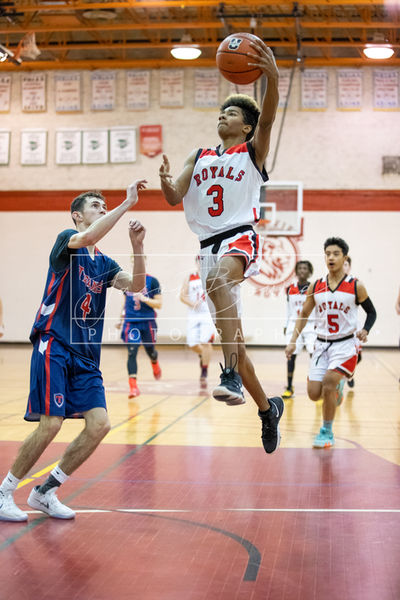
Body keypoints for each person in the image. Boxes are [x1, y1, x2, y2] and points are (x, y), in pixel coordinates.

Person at [159, 39, 284, 454]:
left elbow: (269, 119)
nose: (222, 116)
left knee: (215, 280)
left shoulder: (252, 151)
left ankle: (228, 375)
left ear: (246, 127)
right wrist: (165, 182)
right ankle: (268, 409)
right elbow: (175, 196)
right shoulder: (198, 155)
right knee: (239, 347)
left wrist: (272, 78)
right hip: (207, 246)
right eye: (220, 112)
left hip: (239, 236)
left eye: (230, 113)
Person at [0, 180, 147, 522]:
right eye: (96, 206)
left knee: (99, 425)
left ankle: (45, 491)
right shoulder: (67, 240)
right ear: (77, 215)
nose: (102, 209)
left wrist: (138, 246)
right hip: (55, 343)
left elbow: (137, 284)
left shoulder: (104, 263)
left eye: (104, 206)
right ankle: (5, 491)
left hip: (86, 356)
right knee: (51, 424)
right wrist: (126, 204)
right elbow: (89, 236)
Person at [285, 237, 377, 449]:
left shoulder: (356, 285)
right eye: (327, 254)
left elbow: (372, 312)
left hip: (345, 346)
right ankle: (338, 388)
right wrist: (292, 341)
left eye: (336, 254)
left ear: (345, 258)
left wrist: (365, 330)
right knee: (313, 393)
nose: (331, 258)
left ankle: (326, 431)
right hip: (321, 344)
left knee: (328, 382)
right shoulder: (316, 285)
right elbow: (304, 314)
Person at [116, 263, 162, 398]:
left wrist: (145, 299)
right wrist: (120, 319)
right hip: (131, 322)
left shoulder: (152, 281)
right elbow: (126, 303)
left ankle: (154, 362)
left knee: (150, 351)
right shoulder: (127, 281)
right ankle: (133, 387)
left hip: (148, 321)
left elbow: (159, 304)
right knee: (132, 352)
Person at [180, 257, 216, 389]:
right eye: (199, 261)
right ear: (196, 262)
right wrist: (192, 303)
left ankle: (204, 370)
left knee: (206, 342)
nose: (201, 263)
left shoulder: (212, 276)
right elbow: (182, 296)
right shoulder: (190, 277)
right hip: (193, 314)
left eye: (203, 261)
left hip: (208, 314)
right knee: (192, 344)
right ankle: (203, 356)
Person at [283, 260, 316, 399]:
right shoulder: (290, 289)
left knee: (314, 355)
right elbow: (288, 309)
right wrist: (286, 324)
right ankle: (289, 387)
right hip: (293, 324)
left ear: (309, 272)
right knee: (291, 356)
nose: (302, 270)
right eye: (300, 268)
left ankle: (316, 384)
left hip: (310, 325)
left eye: (305, 268)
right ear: (296, 271)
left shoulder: (314, 288)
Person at [343, 256, 362, 389]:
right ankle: (342, 377)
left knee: (358, 356)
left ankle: (349, 374)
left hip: (353, 325)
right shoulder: (330, 282)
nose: (343, 267)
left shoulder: (355, 283)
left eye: (346, 265)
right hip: (338, 327)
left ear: (349, 267)